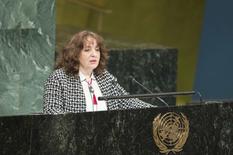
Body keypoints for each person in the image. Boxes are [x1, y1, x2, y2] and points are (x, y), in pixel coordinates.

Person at [43, 30, 154, 114]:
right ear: (75, 54)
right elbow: (51, 112)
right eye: (87, 50)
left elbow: (128, 102)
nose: (94, 54)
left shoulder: (105, 78)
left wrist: (157, 110)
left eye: (97, 50)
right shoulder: (58, 78)